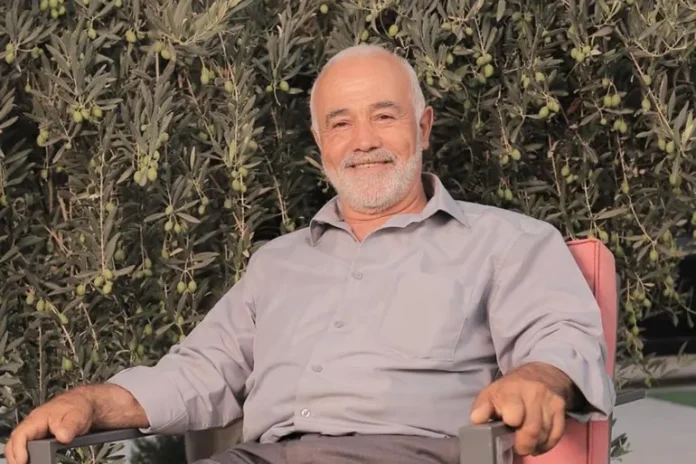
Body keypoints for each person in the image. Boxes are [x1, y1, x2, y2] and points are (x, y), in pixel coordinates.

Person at [5, 44, 615, 464]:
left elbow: (560, 334)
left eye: (385, 116)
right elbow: (199, 372)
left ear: (424, 127)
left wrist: (539, 377)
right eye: (341, 124)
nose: (364, 141)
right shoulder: (276, 263)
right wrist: (91, 401)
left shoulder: (507, 242)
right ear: (321, 142)